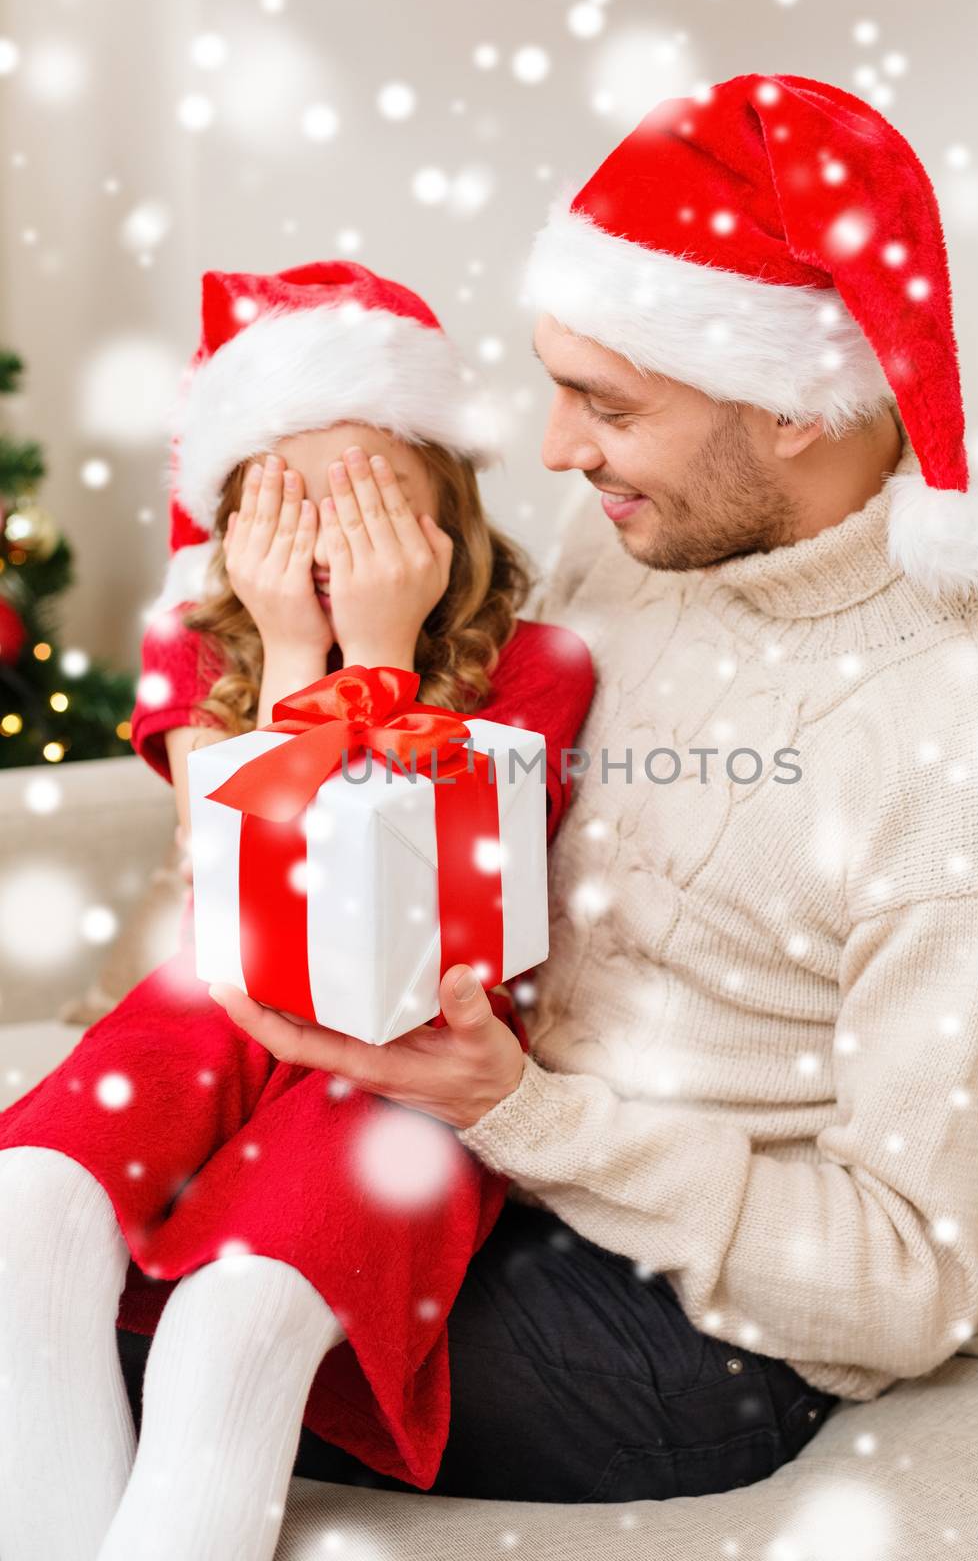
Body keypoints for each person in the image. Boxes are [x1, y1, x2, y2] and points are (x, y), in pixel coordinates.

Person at [207, 74, 978, 1506]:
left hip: (688, 1325)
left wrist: (520, 1109)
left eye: (606, 405)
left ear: (796, 409)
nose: (559, 450)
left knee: (161, 1335)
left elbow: (903, 1288)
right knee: (54, 1227)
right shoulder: (644, 541)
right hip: (471, 1158)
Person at [0, 260, 596, 1561]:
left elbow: (385, 935)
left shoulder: (539, 670)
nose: (332, 544)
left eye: (374, 497)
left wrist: (378, 660)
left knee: (240, 1315)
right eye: (286, 501)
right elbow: (254, 905)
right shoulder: (201, 649)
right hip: (225, 998)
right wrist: (282, 657)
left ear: (447, 513)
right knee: (27, 1210)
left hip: (406, 1053)